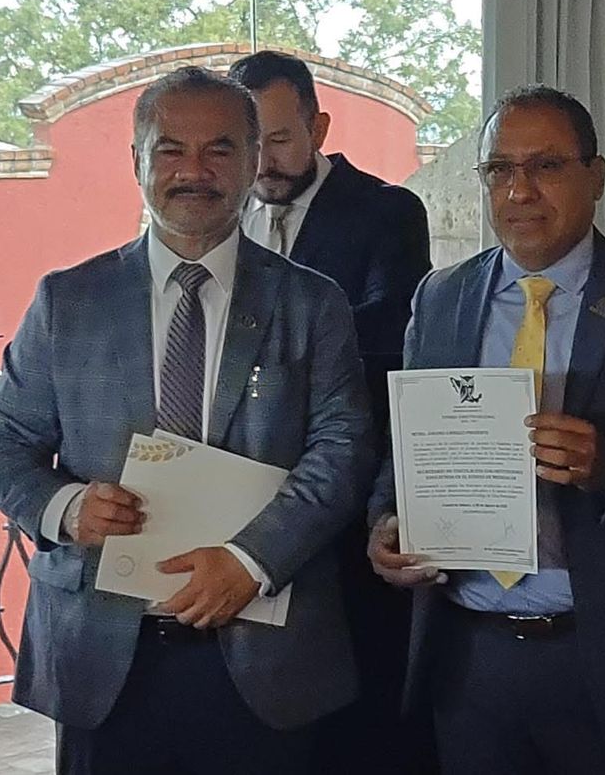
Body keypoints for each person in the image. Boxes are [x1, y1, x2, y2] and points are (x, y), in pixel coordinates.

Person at [0, 66, 373, 774]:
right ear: (137, 160)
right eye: (170, 150)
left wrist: (251, 562)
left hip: (267, 657)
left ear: (253, 160)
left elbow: (343, 452)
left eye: (219, 149)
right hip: (103, 658)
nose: (194, 170)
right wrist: (66, 508)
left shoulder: (313, 304)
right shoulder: (69, 301)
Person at [366, 84, 605, 774]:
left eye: (546, 166)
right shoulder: (440, 298)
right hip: (469, 655)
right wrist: (385, 523)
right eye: (500, 169)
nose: (520, 190)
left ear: (596, 176)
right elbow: (401, 452)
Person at [229, 48, 434, 774]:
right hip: (243, 505)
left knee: (361, 719)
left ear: (318, 128)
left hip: (350, 502)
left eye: (280, 139)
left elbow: (384, 343)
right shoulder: (222, 215)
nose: (263, 162)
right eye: (248, 143)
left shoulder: (385, 212)